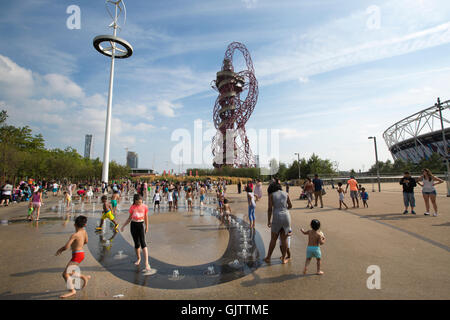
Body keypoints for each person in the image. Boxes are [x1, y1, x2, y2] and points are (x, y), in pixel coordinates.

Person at [55, 215, 91, 299]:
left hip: (77, 255)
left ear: (75, 225)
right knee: (70, 272)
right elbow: (86, 241)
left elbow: (67, 246)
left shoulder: (74, 235)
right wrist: (79, 245)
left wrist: (60, 249)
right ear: (84, 225)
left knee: (65, 274)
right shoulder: (84, 232)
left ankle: (72, 291)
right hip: (81, 253)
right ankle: (84, 277)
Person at [121, 194, 152, 273]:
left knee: (143, 243)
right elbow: (129, 218)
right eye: (138, 202)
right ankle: (138, 258)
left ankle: (146, 263)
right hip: (133, 225)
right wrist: (123, 226)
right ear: (134, 201)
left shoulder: (144, 207)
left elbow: (146, 217)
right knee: (136, 244)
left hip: (141, 225)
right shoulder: (132, 207)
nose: (139, 204)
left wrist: (147, 226)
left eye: (140, 202)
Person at [264, 181, 292, 264]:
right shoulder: (286, 193)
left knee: (273, 239)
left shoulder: (271, 195)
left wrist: (269, 220)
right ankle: (283, 259)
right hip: (286, 216)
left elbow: (270, 209)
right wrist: (284, 208)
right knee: (284, 239)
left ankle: (268, 257)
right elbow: (290, 206)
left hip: (277, 216)